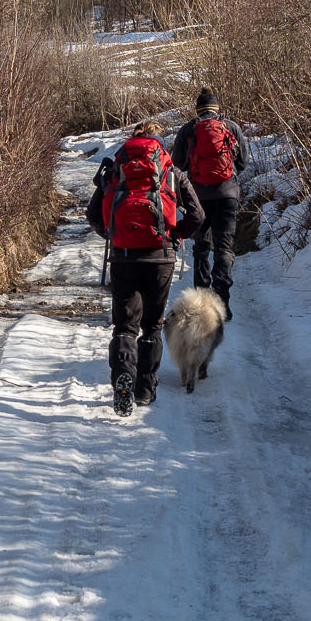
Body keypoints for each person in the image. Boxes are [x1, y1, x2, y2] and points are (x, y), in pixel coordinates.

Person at [88, 122, 204, 415]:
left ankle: (123, 375)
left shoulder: (115, 169)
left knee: (125, 325)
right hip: (160, 257)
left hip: (124, 256)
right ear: (157, 143)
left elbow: (92, 213)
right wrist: (176, 235)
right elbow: (198, 215)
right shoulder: (170, 171)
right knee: (152, 324)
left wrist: (112, 234)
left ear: (131, 142)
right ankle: (145, 388)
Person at [171, 87, 250, 319]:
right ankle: (222, 304)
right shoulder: (231, 127)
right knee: (224, 248)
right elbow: (243, 162)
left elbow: (176, 165)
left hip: (198, 198)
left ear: (197, 110)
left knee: (201, 248)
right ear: (217, 108)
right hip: (227, 196)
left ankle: (201, 302)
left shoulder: (188, 130)